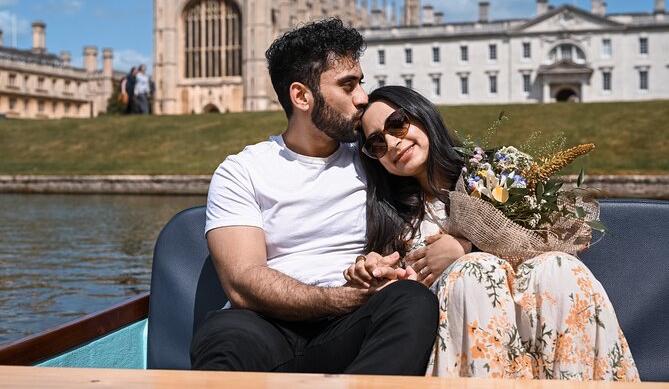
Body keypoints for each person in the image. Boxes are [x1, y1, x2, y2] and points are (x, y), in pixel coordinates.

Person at [190, 19, 438, 374]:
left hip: (353, 324)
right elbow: (243, 282)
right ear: (302, 96)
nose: (362, 97)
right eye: (348, 85)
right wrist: (341, 298)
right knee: (224, 336)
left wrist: (455, 244)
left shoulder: (374, 157)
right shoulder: (242, 170)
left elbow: (444, 192)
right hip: (266, 324)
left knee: (412, 302)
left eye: (361, 83)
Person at [346, 85, 639, 380]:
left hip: (532, 314)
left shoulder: (492, 173)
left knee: (558, 266)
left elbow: (548, 239)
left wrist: (465, 248)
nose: (392, 143)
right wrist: (381, 273)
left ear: (422, 113)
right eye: (377, 143)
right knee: (472, 273)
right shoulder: (391, 216)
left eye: (397, 124)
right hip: (455, 329)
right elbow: (400, 301)